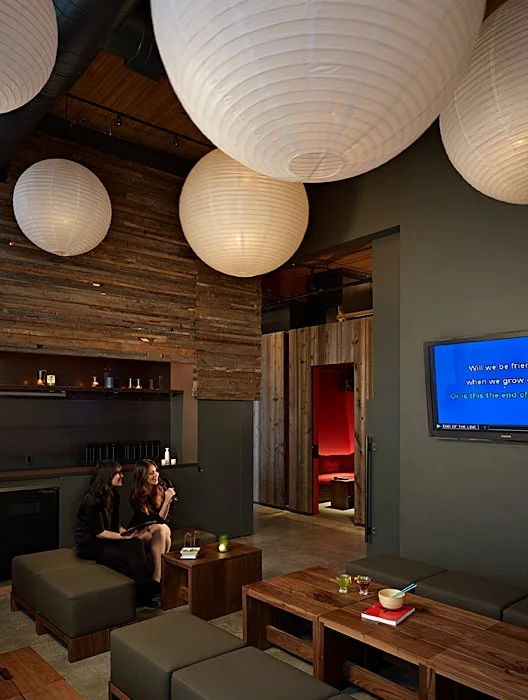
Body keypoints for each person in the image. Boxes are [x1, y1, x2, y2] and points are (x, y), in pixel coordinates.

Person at [74, 460, 158, 607]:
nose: (122, 476)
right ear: (108, 476)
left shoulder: (114, 495)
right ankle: (142, 595)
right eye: (118, 473)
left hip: (108, 538)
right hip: (91, 545)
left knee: (137, 543)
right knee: (131, 556)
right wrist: (123, 537)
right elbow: (99, 533)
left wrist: (127, 533)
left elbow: (115, 523)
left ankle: (140, 593)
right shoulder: (92, 500)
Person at [129, 460, 174, 566]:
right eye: (151, 473)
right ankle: (160, 572)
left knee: (164, 530)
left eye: (156, 471)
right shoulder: (136, 497)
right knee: (161, 529)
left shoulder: (161, 488)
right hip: (141, 529)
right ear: (142, 477)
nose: (156, 475)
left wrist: (168, 501)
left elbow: (164, 519)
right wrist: (167, 500)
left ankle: (160, 572)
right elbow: (156, 520)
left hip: (157, 527)